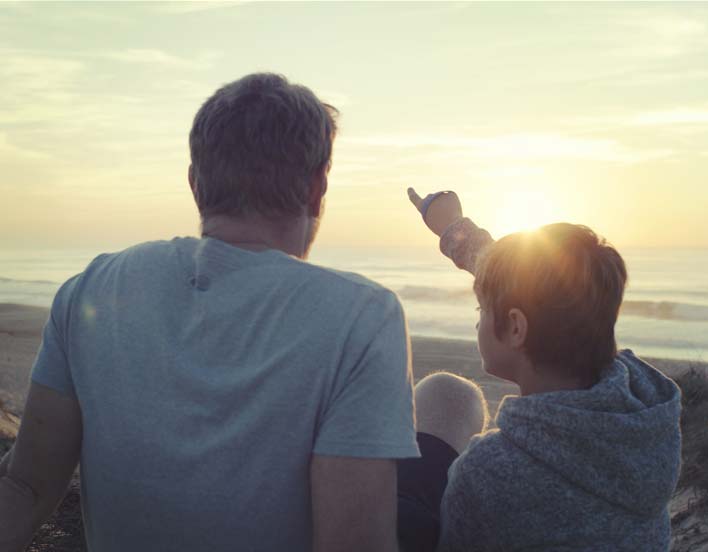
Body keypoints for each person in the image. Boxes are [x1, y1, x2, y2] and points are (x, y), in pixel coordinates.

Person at [0, 73, 422, 552]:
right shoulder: (362, 318)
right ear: (316, 186)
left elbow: (25, 487)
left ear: (195, 183)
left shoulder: (92, 291)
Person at [406, 188, 682, 551]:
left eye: (481, 310)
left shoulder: (490, 473)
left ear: (517, 327)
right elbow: (546, 286)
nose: (478, 323)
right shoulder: (648, 422)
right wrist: (454, 229)